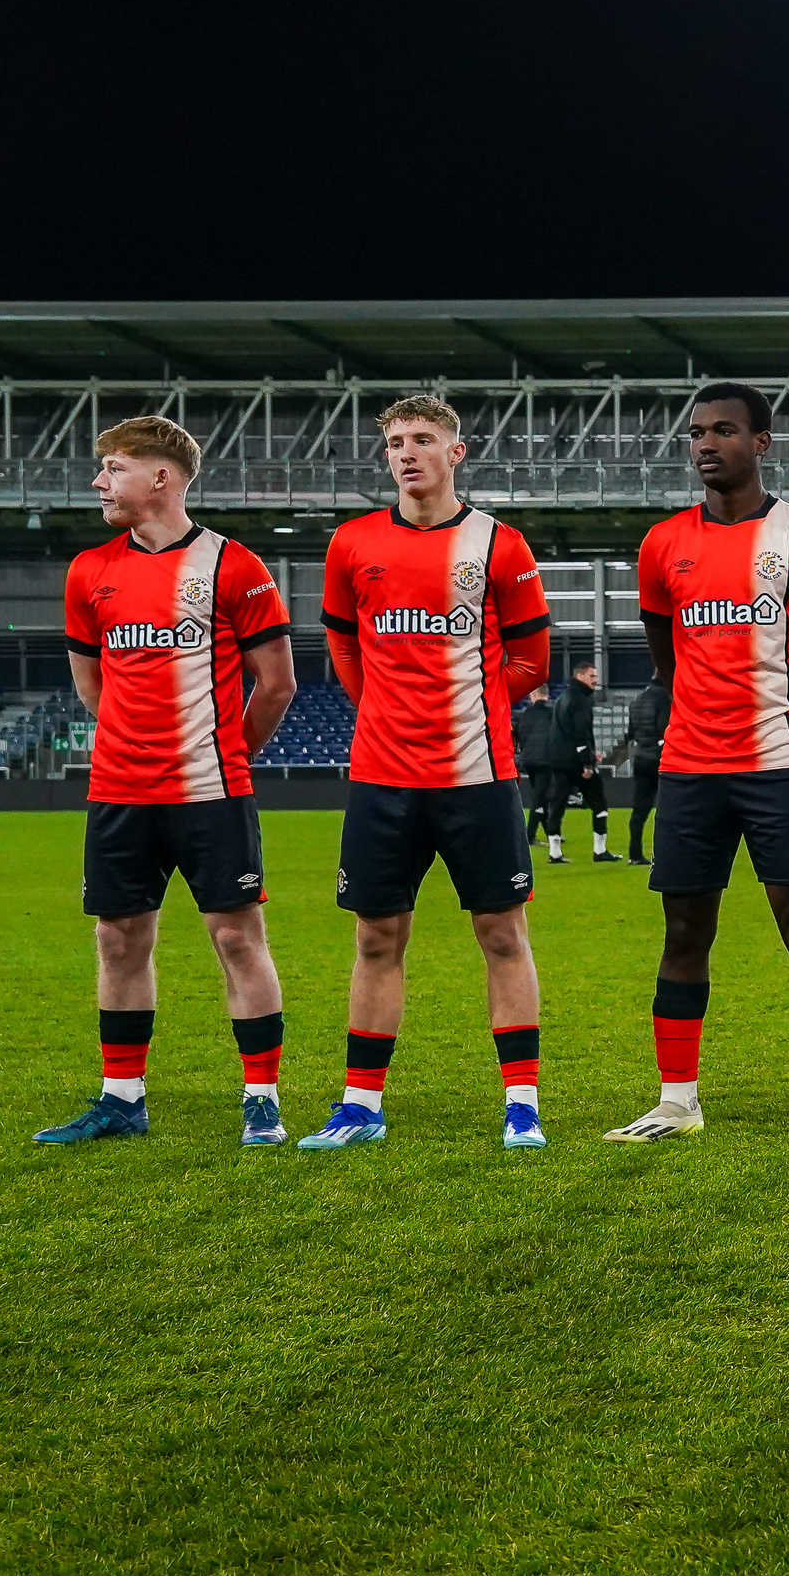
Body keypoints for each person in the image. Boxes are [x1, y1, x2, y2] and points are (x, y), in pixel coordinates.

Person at [608, 382, 789, 1144]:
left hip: (780, 767)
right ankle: (677, 1102)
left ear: (762, 443)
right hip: (690, 768)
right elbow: (668, 659)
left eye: (723, 430)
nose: (705, 444)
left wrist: (788, 725)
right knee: (684, 932)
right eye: (696, 433)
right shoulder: (662, 545)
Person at [36, 416, 298, 1148]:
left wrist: (221, 757)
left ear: (162, 476)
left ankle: (261, 1100)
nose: (99, 482)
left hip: (211, 792)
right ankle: (122, 1099)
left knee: (237, 940)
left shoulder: (235, 566)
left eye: (113, 468)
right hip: (119, 791)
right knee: (118, 940)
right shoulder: (90, 570)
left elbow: (275, 686)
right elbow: (91, 686)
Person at [305, 395, 552, 1150]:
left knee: (501, 933)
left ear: (456, 452)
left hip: (476, 774)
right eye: (394, 443)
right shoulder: (352, 544)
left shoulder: (500, 546)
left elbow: (532, 660)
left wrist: (462, 710)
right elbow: (343, 648)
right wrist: (382, 707)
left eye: (421, 440)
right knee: (378, 937)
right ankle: (360, 1106)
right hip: (382, 775)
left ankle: (522, 1106)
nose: (406, 454)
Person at [544, 660, 616, 862]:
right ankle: (600, 851)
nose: (596, 680)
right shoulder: (581, 700)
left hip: (559, 760)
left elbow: (562, 731)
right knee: (599, 802)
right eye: (592, 676)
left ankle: (554, 852)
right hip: (576, 762)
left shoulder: (562, 698)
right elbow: (580, 732)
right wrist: (587, 762)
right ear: (580, 676)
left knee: (557, 805)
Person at [612, 674, 668, 864]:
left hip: (641, 758)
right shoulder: (664, 698)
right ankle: (664, 855)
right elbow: (663, 730)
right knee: (667, 810)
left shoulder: (637, 699)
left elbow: (631, 732)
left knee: (639, 810)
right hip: (660, 760)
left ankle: (634, 854)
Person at [517, 693, 565, 844]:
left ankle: (551, 831)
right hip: (545, 759)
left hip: (528, 760)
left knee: (540, 794)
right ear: (547, 695)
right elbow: (559, 736)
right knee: (539, 797)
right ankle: (529, 836)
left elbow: (519, 735)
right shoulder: (551, 713)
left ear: (533, 696)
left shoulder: (525, 714)